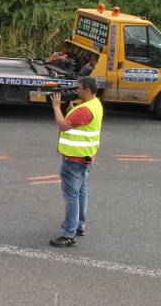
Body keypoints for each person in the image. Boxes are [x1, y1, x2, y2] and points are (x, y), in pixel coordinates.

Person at [49, 75, 102, 247]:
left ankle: (69, 234)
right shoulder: (94, 104)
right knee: (81, 192)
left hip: (74, 160)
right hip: (86, 157)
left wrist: (56, 107)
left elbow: (63, 125)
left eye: (78, 88)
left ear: (87, 89)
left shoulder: (84, 110)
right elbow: (80, 123)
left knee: (71, 196)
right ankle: (79, 225)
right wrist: (71, 109)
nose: (76, 91)